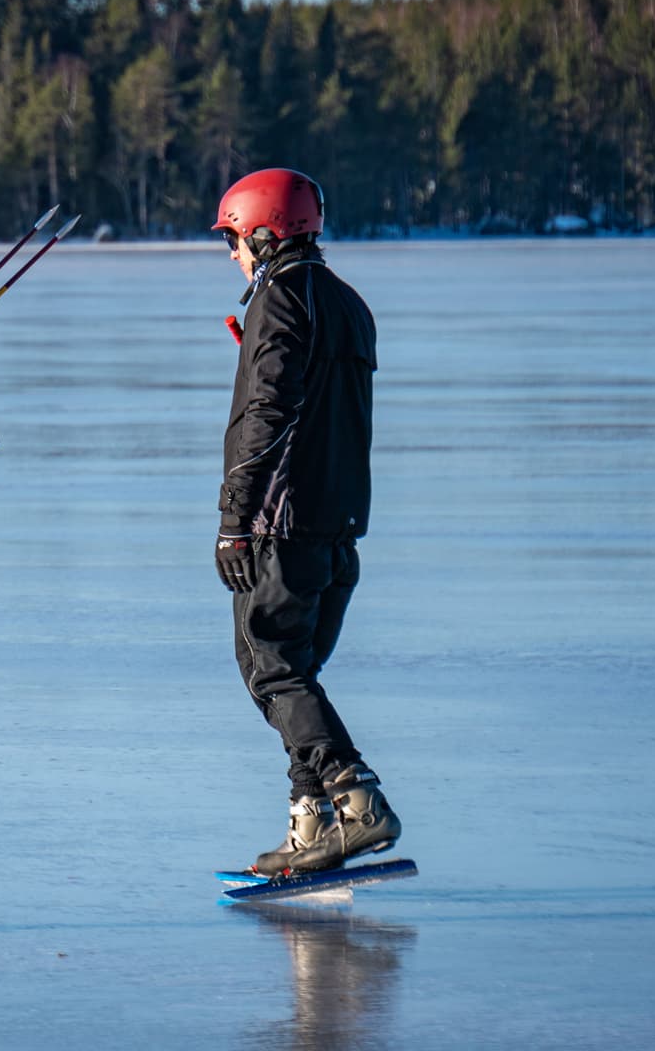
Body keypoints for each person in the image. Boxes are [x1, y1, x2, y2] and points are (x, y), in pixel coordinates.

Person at [211, 168, 401, 876]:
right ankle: (311, 823)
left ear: (265, 231)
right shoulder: (347, 303)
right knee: (296, 676)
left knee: (271, 668)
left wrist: (235, 520)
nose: (233, 254)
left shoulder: (282, 300)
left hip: (280, 526)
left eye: (233, 238)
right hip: (338, 525)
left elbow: (266, 416)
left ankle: (354, 799)